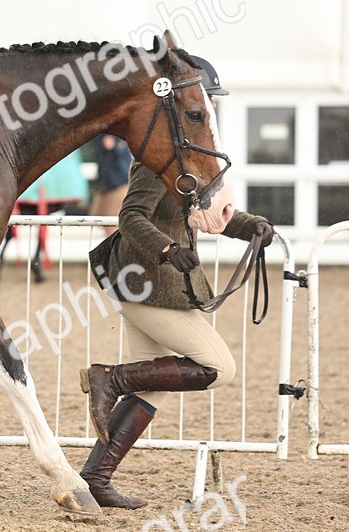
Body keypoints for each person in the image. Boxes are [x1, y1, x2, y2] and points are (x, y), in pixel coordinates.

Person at [79, 55, 275, 509]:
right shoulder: (157, 158)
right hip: (147, 283)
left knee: (152, 386)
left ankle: (95, 478)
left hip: (160, 285)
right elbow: (131, 217)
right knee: (218, 368)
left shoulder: (190, 158)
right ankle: (108, 377)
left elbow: (207, 212)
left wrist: (252, 227)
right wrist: (166, 249)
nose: (212, 108)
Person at [0, 149, 89, 283]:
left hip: (33, 193)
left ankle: (2, 264)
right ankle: (33, 263)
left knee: (18, 230)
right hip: (44, 193)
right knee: (39, 228)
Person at [89, 134, 132, 236]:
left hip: (118, 183)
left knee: (111, 220)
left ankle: (113, 243)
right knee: (97, 215)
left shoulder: (114, 138)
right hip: (108, 183)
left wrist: (114, 146)